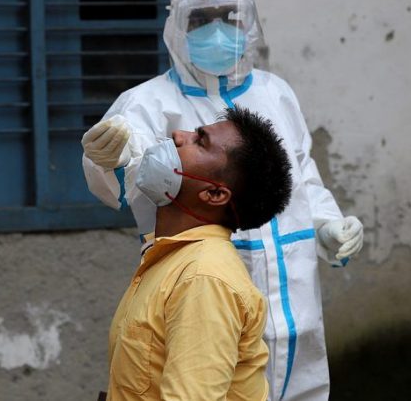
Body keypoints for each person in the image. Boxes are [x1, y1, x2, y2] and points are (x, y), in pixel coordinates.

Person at [83, 0, 364, 399]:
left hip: (295, 302)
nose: (218, 29)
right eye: (202, 18)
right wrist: (108, 157)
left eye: (229, 15)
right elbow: (126, 157)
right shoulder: (149, 102)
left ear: (248, 16)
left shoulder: (277, 93)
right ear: (178, 24)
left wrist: (325, 225)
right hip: (206, 300)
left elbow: (302, 177)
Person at [107, 108, 293, 401]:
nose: (178, 135)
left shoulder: (204, 278)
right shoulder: (171, 257)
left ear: (215, 194)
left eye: (199, 141)